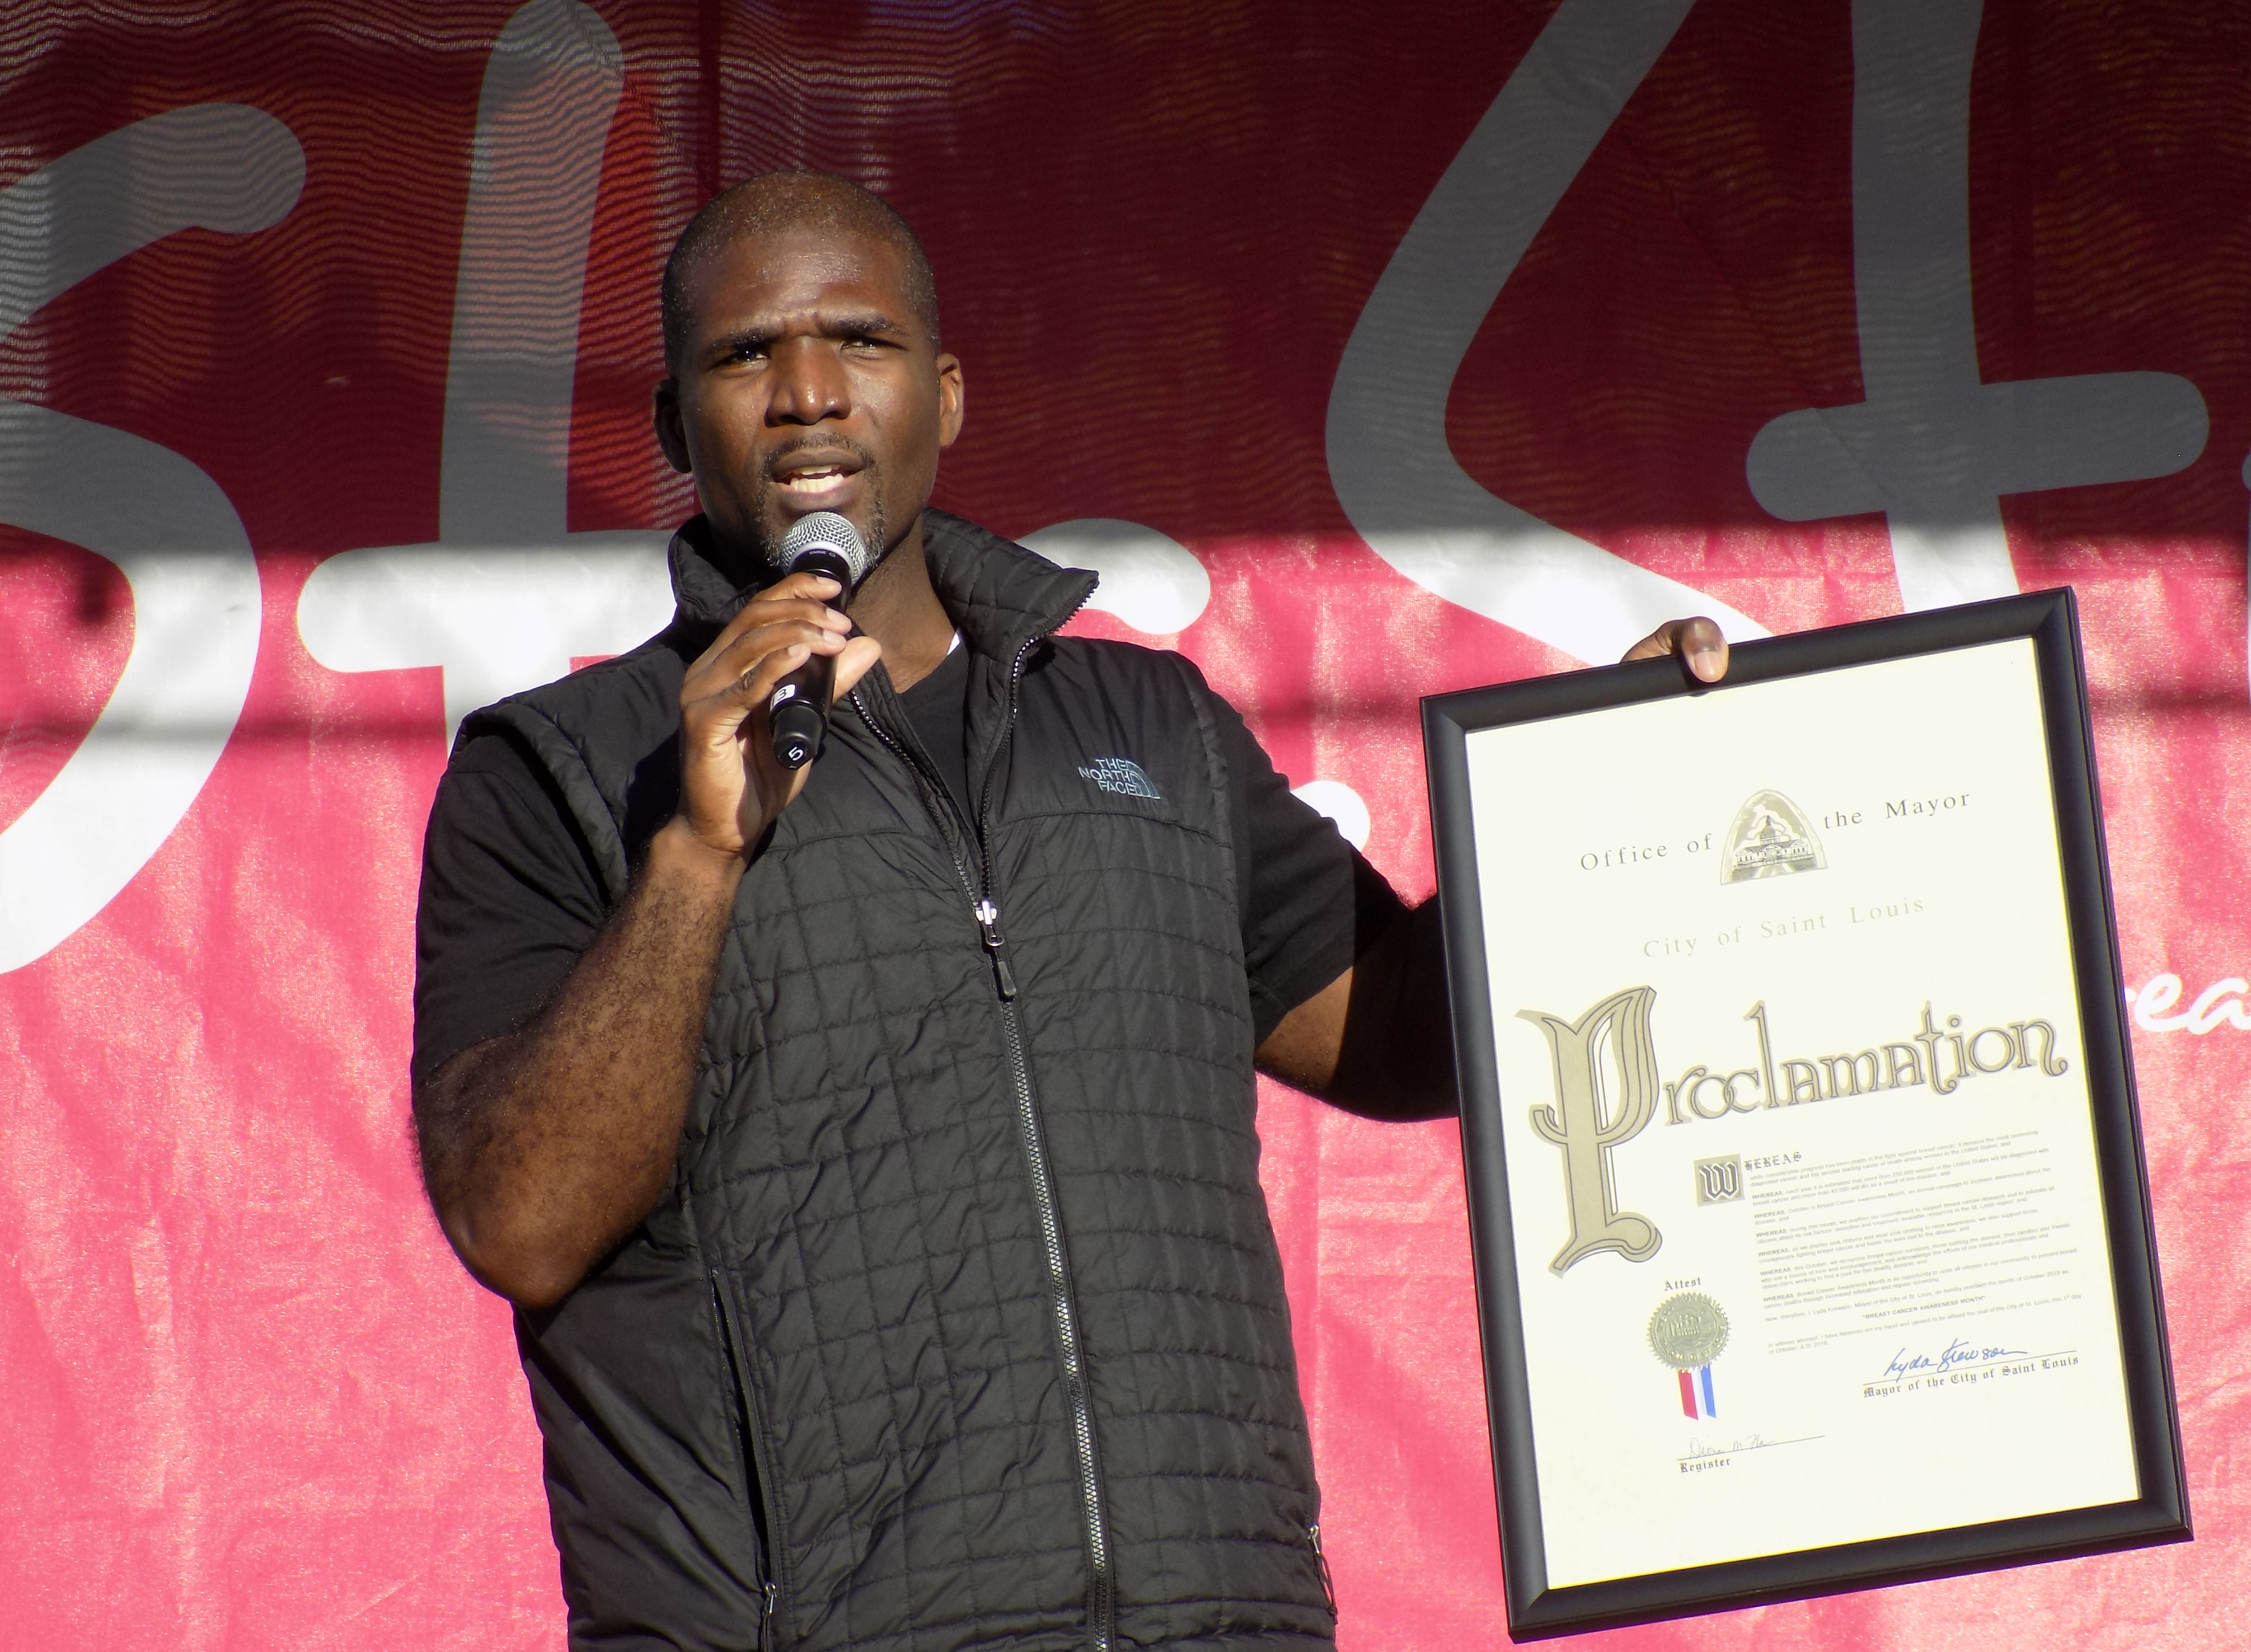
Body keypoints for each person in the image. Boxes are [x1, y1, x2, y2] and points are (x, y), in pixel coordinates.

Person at [410, 171, 1728, 1652]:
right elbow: (521, 1223)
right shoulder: (568, 771)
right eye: (741, 357)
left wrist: (1598, 789)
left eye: (861, 339)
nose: (805, 396)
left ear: (947, 392)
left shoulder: (1148, 723)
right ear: (673, 429)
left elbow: (1405, 1035)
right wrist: (698, 858)